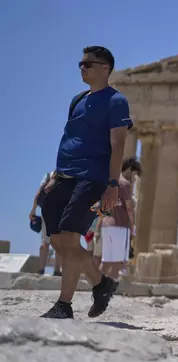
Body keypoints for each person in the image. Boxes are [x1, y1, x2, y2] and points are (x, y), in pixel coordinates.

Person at [39, 46, 133, 319]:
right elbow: (70, 139)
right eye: (80, 64)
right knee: (59, 242)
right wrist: (55, 176)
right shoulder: (77, 100)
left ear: (105, 68)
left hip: (91, 177)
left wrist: (112, 184)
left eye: (88, 64)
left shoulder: (116, 101)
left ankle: (64, 305)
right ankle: (102, 283)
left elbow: (118, 145)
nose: (82, 68)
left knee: (69, 238)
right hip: (63, 176)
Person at [98, 158, 139, 278]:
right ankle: (108, 291)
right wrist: (132, 227)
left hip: (107, 225)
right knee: (117, 262)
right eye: (135, 174)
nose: (134, 177)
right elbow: (129, 209)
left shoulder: (110, 182)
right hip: (119, 226)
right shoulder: (125, 184)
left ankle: (96, 286)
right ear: (130, 170)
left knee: (106, 261)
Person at [30, 170, 61, 276]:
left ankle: (41, 270)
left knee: (45, 241)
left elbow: (39, 193)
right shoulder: (69, 173)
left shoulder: (49, 175)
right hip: (61, 212)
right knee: (59, 243)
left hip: (47, 211)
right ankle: (57, 271)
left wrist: (33, 210)